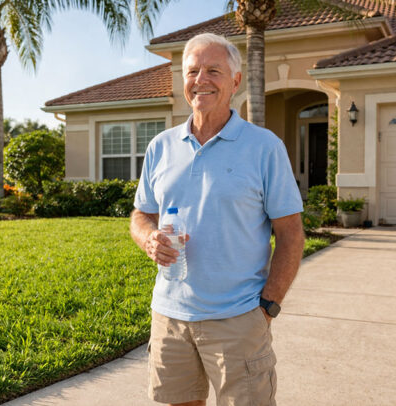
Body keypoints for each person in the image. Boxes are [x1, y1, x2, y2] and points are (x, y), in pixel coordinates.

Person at [130, 32, 305, 406]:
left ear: (236, 81)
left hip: (237, 317)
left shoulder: (264, 147)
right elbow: (141, 213)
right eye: (192, 71)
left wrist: (268, 308)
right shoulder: (160, 147)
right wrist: (147, 238)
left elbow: (290, 234)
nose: (201, 80)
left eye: (214, 70)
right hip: (169, 315)